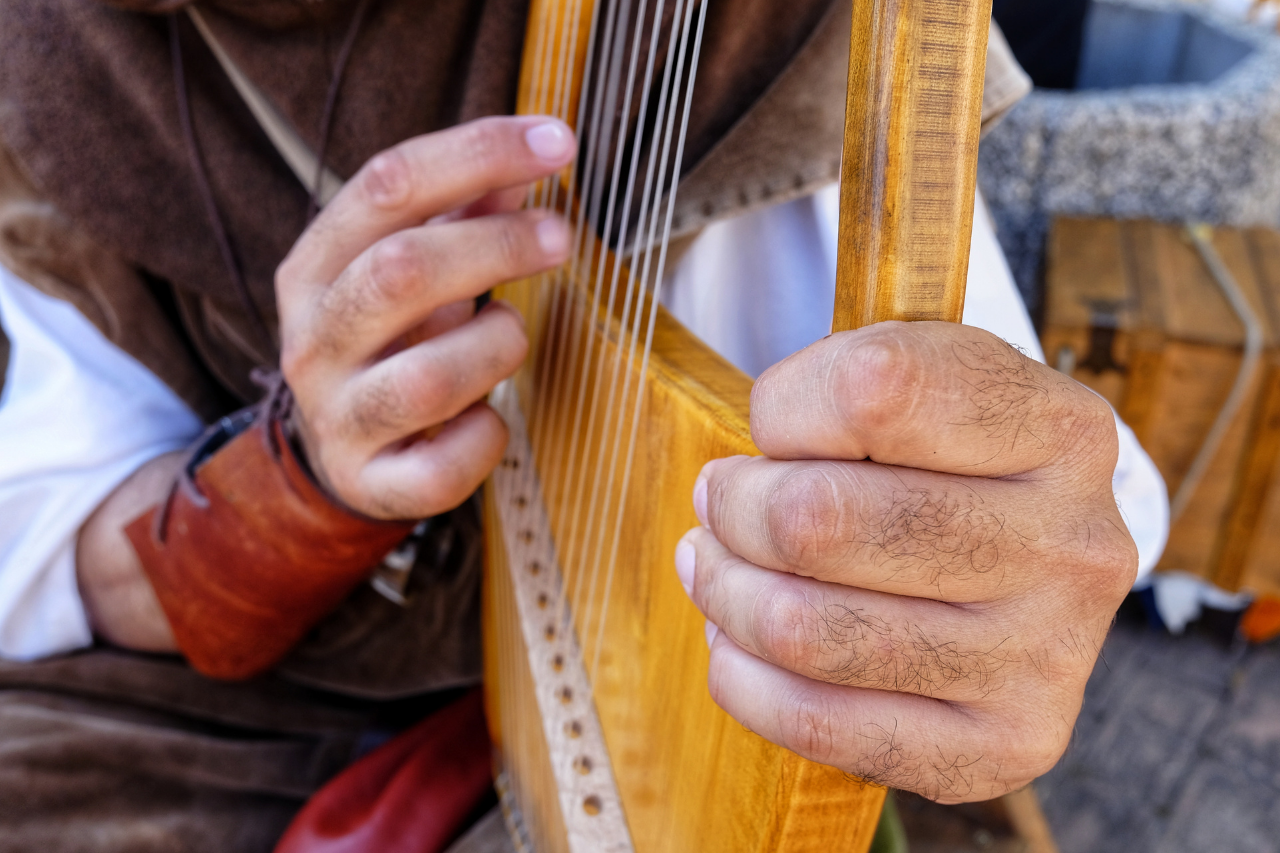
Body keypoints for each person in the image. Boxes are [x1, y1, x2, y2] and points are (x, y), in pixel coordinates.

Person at [0, 0, 1167, 849]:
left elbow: (1005, 471)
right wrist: (304, 478)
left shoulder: (728, 31)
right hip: (245, 711)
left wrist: (993, 574)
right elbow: (58, 540)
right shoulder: (42, 65)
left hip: (670, 703)